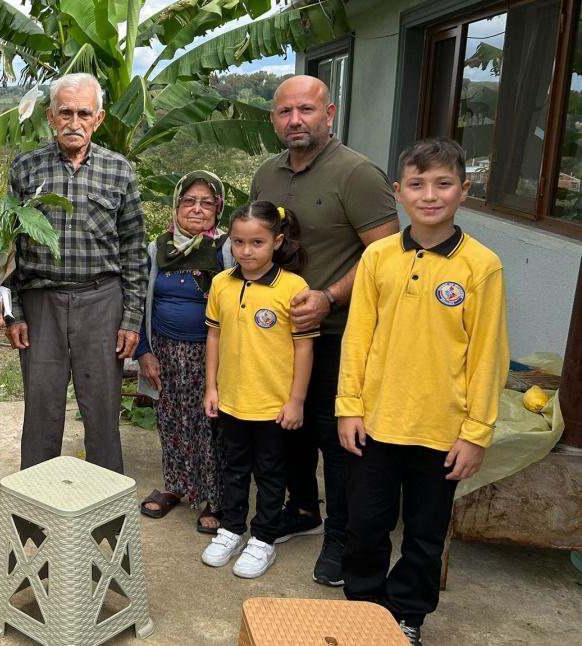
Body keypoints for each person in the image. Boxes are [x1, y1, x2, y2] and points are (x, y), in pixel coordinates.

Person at [337, 138, 508, 646]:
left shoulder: (482, 266)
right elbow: (357, 339)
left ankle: (407, 613)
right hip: (376, 423)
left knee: (424, 536)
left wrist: (476, 433)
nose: (429, 195)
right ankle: (364, 609)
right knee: (365, 525)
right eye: (417, 184)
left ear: (464, 190)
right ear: (398, 192)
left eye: (443, 183)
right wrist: (349, 407)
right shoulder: (378, 258)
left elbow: (487, 356)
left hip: (441, 431)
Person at [250, 75, 399, 586]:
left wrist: (329, 296)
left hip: (338, 330)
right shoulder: (266, 175)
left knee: (334, 438)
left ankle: (340, 536)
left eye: (306, 110)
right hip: (278, 334)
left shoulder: (356, 174)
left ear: (329, 113)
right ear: (273, 119)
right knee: (285, 426)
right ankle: (303, 510)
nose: (296, 120)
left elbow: (386, 256)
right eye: (285, 111)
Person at [6, 72, 146, 474]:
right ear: (50, 116)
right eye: (65, 112)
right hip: (40, 304)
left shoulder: (119, 171)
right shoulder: (25, 168)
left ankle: (106, 516)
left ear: (98, 119)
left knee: (102, 415)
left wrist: (132, 319)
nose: (74, 121)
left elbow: (134, 249)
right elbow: (7, 247)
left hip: (102, 302)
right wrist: (14, 310)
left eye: (84, 113)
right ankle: (36, 512)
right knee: (41, 414)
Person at [200, 201, 317, 580]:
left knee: (270, 474)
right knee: (233, 469)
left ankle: (263, 538)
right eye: (238, 242)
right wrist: (211, 388)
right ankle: (231, 529)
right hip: (232, 400)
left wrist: (296, 401)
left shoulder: (294, 288)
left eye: (257, 242)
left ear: (277, 242)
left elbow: (304, 348)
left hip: (273, 407)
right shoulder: (222, 283)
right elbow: (214, 338)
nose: (246, 251)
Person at [135, 170, 227, 533]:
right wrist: (145, 351)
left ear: (218, 210)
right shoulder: (158, 249)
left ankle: (213, 496)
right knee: (170, 420)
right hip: (165, 351)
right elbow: (139, 303)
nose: (197, 209)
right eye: (188, 201)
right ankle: (176, 485)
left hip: (213, 352)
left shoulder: (226, 248)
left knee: (211, 425)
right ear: (175, 206)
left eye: (207, 202)